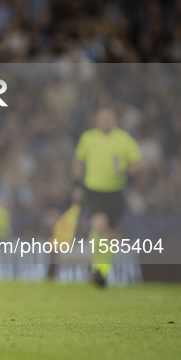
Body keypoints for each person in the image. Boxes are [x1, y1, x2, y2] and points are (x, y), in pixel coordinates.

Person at [72, 105, 142, 287]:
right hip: (94, 190)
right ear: (97, 120)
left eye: (109, 118)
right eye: (102, 117)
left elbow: (138, 164)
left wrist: (125, 170)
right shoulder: (88, 138)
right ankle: (96, 267)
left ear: (115, 120)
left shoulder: (124, 139)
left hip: (116, 192)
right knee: (98, 224)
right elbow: (78, 163)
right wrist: (77, 185)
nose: (105, 121)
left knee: (111, 236)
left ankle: (101, 272)